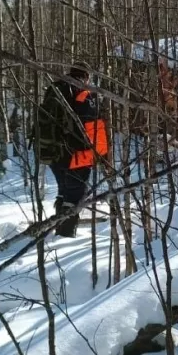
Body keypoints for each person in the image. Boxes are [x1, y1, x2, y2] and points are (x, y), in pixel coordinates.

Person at [33, 61, 109, 237]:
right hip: (76, 153)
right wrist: (99, 152)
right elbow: (90, 125)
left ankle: (59, 229)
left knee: (64, 191)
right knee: (75, 195)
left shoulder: (56, 88)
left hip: (53, 151)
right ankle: (65, 236)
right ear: (86, 76)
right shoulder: (83, 92)